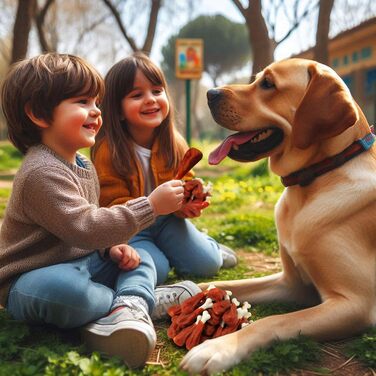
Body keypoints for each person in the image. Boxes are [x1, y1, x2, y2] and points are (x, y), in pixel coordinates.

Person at [0, 53, 199, 369]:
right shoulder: (40, 171)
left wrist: (111, 247)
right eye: (82, 102)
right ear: (38, 113)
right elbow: (84, 225)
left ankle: (131, 302)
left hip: (83, 261)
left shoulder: (83, 165)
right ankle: (134, 302)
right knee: (67, 292)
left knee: (142, 256)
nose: (96, 112)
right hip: (32, 279)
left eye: (96, 102)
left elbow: (89, 228)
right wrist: (150, 205)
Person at [91, 52, 238, 318]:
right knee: (154, 268)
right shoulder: (107, 151)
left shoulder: (175, 143)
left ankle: (211, 247)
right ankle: (164, 258)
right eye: (136, 95)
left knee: (206, 265)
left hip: (170, 222)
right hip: (133, 229)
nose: (150, 100)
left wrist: (189, 204)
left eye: (157, 91)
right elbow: (109, 204)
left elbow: (185, 185)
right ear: (118, 109)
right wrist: (151, 205)